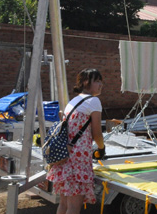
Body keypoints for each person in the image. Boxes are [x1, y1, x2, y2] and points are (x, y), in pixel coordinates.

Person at [47, 69, 105, 214]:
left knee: (64, 204)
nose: (101, 85)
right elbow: (97, 133)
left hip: (65, 156)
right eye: (97, 81)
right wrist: (101, 148)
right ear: (86, 82)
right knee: (74, 207)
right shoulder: (94, 101)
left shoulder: (73, 101)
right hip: (78, 160)